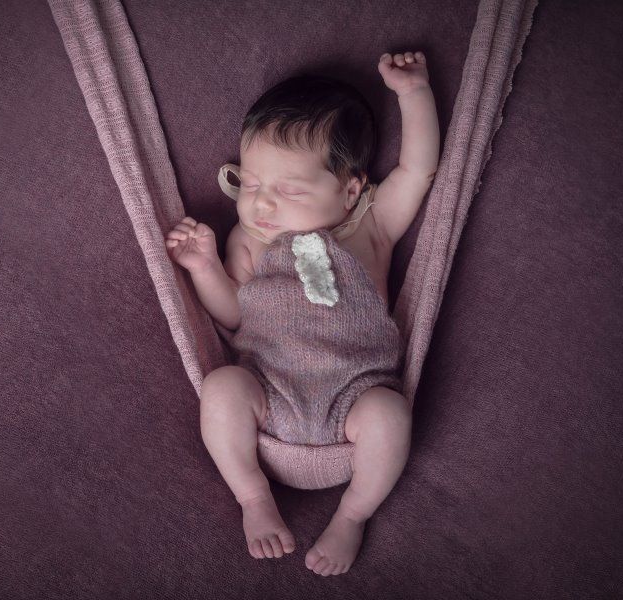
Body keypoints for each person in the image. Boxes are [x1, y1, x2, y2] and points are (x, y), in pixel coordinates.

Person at [165, 51, 440, 577]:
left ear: (351, 189)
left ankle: (353, 515)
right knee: (222, 387)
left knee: (391, 414)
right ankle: (252, 497)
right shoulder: (248, 240)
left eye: (288, 191)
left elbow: (418, 168)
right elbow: (231, 314)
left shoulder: (370, 230)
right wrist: (204, 267)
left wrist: (413, 94)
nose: (262, 206)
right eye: (250, 184)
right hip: (268, 398)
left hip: (353, 405)